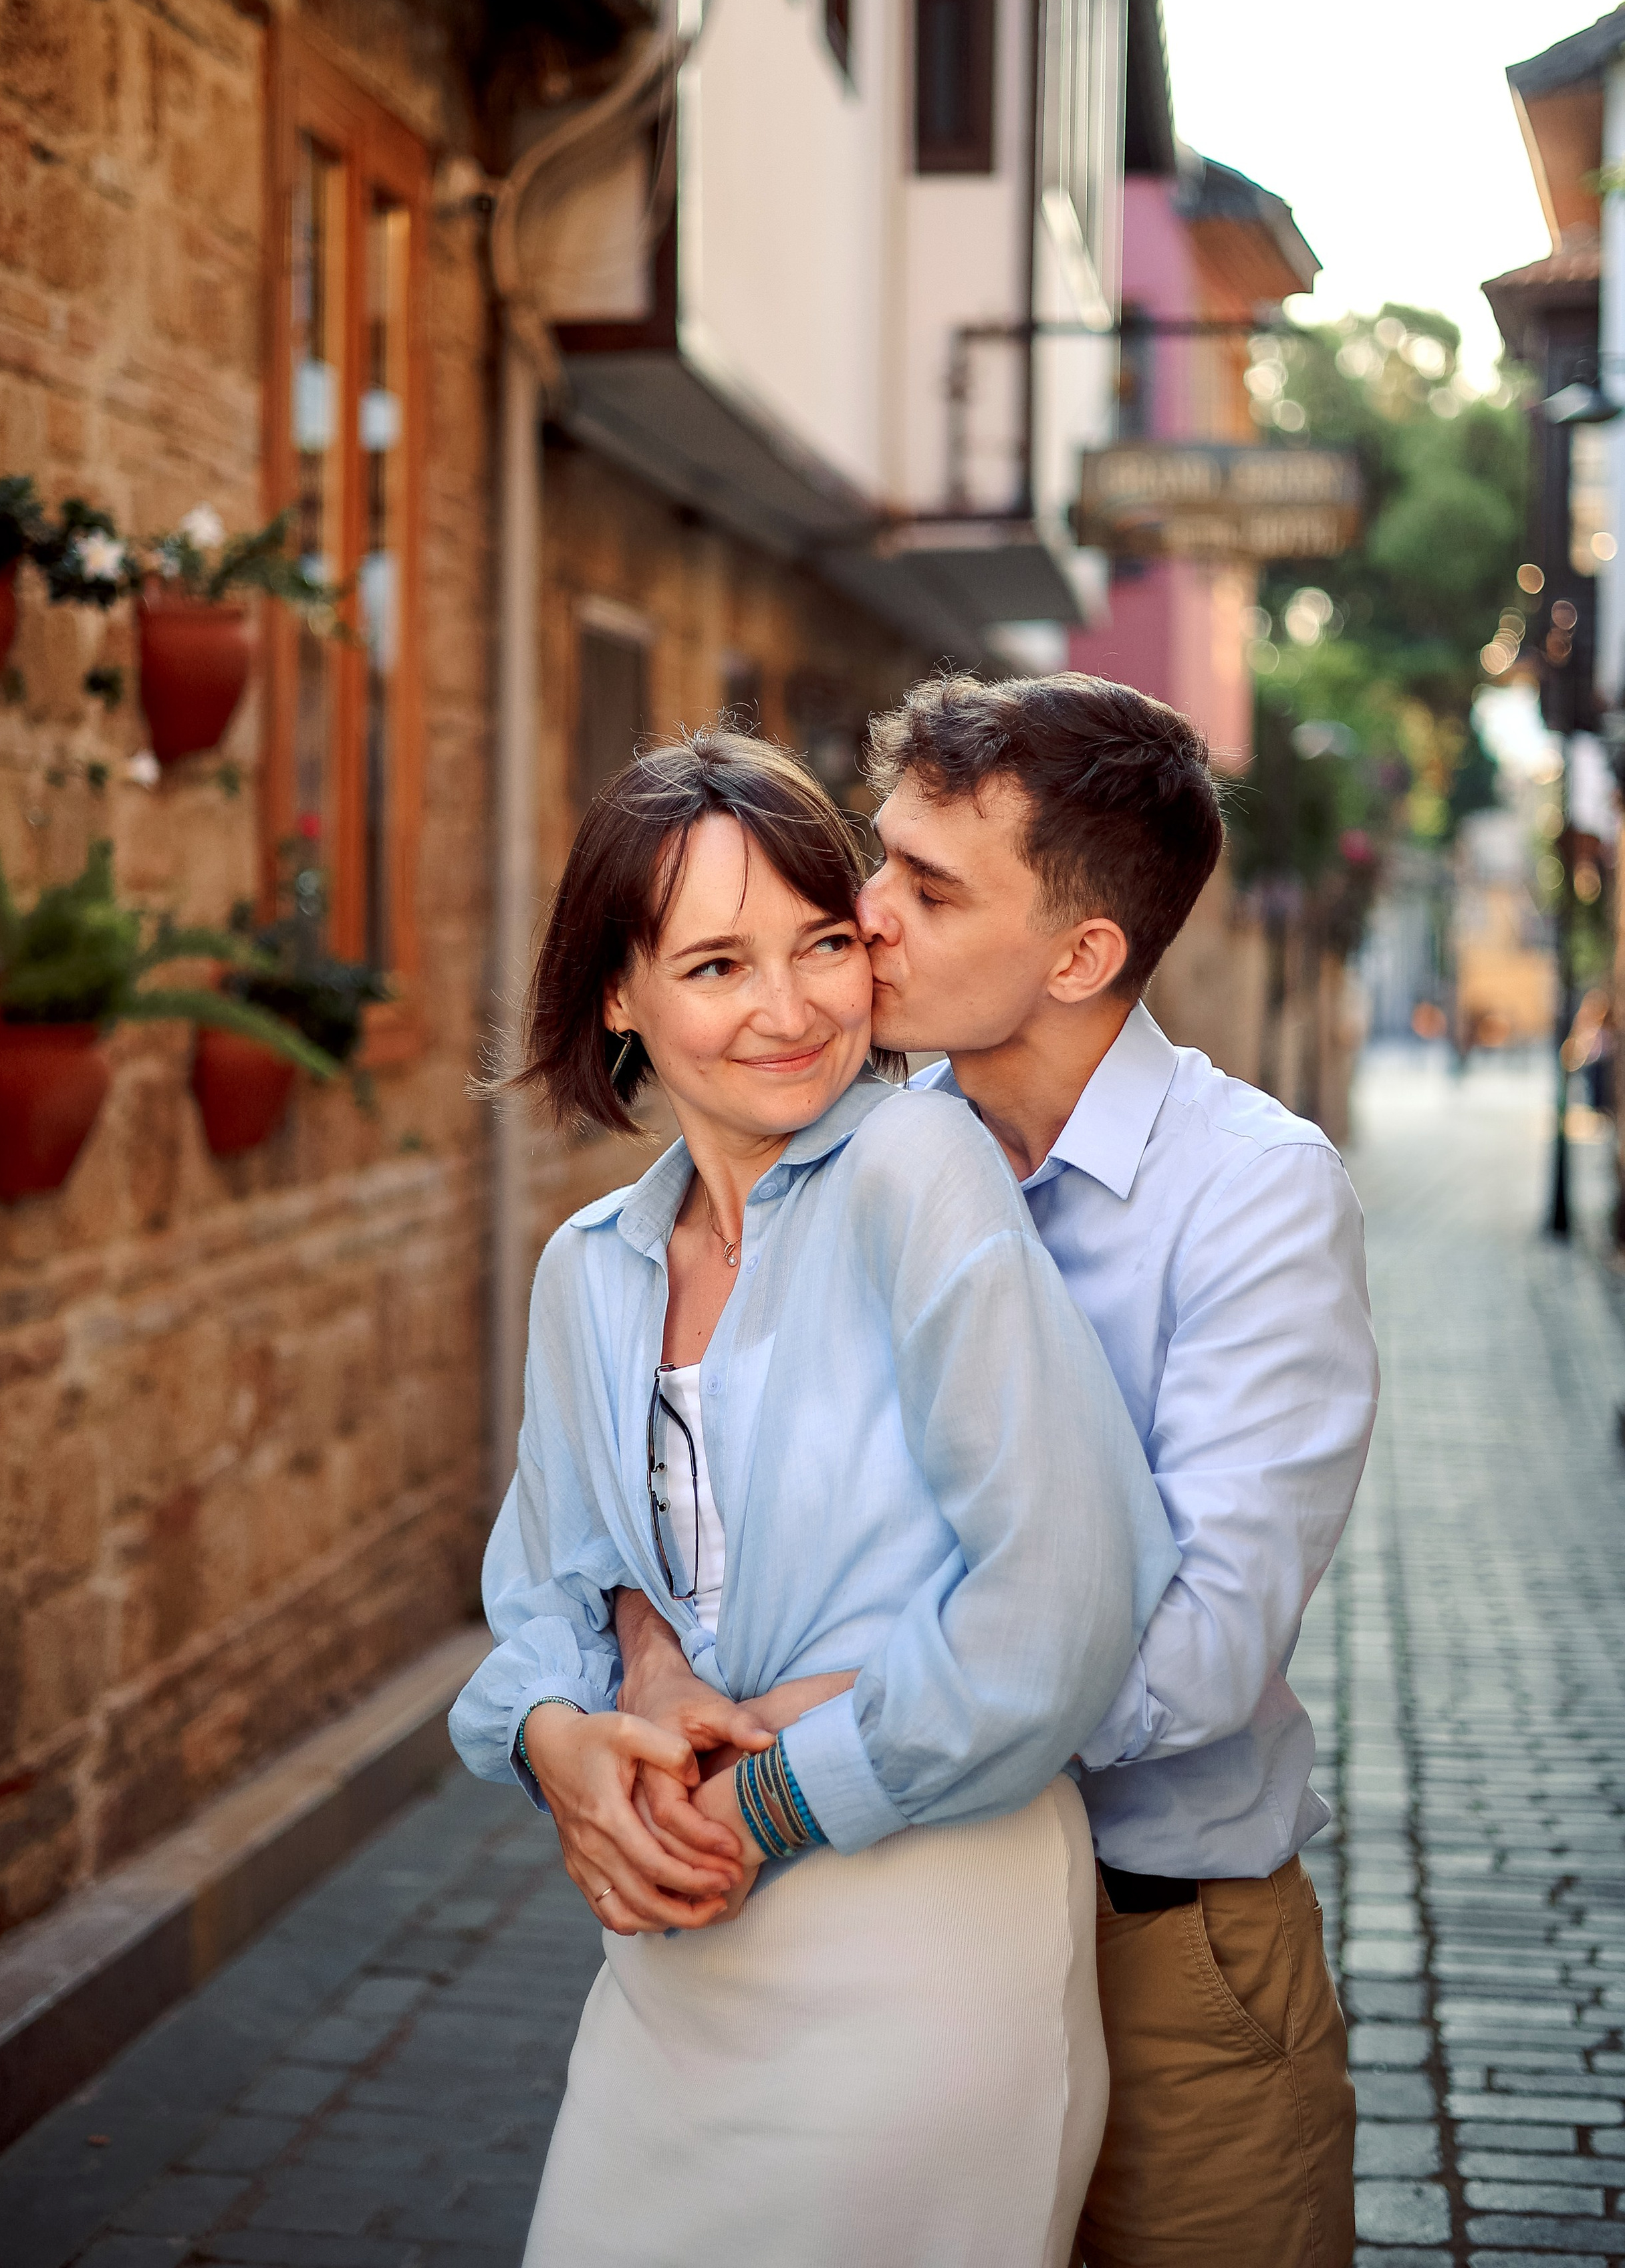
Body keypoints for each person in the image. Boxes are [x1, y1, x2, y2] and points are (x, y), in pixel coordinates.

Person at [617, 674, 1378, 2268]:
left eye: (927, 887)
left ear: (1081, 955)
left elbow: (1200, 1651)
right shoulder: (849, 1150)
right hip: (882, 1933)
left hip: (1155, 1954)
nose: (863, 918)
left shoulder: (1250, 1199)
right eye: (878, 860)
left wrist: (837, 1716)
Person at [449, 727, 1178, 2268]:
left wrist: (768, 1794)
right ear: (615, 994)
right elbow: (543, 1597)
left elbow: (1058, 1611)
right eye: (714, 966)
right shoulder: (587, 1270)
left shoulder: (919, 1169)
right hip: (671, 1966)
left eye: (822, 944)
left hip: (920, 1937)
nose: (788, 1012)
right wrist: (558, 1744)